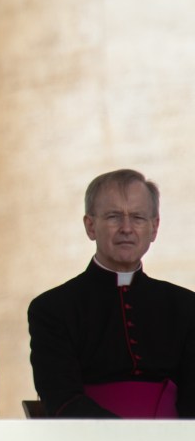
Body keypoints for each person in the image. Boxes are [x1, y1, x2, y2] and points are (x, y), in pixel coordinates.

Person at [28, 169, 195, 418]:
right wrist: (126, 438)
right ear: (90, 226)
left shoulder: (186, 306)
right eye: (114, 217)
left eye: (138, 217)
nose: (126, 228)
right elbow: (61, 399)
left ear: (154, 227)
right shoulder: (52, 309)